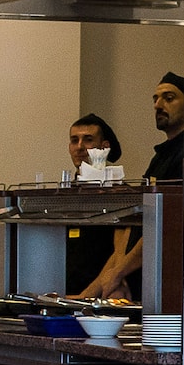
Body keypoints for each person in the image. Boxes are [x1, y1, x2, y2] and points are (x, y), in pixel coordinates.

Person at [80, 72, 184, 299]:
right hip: (133, 280)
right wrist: (112, 275)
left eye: (168, 98)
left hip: (164, 281)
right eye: (155, 99)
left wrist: (119, 272)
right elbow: (132, 219)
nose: (158, 105)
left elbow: (167, 222)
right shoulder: (159, 158)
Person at [64, 114, 126, 296]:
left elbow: (120, 255)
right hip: (65, 294)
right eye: (74, 140)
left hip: (103, 294)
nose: (80, 147)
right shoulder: (63, 195)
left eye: (88, 140)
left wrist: (86, 296)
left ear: (104, 147)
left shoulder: (120, 195)